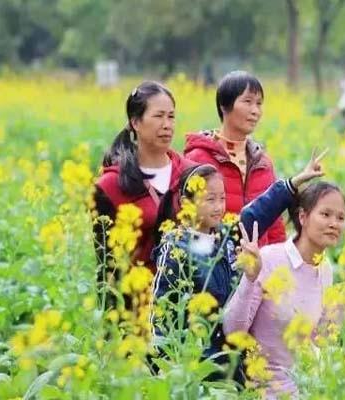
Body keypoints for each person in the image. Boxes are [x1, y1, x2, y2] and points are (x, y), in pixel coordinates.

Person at [150, 150, 328, 380]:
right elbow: (161, 312)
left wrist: (294, 183)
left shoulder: (226, 236)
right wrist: (166, 371)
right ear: (186, 203)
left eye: (222, 198)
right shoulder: (175, 247)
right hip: (194, 364)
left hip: (232, 363)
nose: (218, 207)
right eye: (209, 199)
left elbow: (259, 211)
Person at [223, 181, 345, 398]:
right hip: (260, 388)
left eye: (340, 218)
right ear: (303, 217)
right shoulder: (269, 259)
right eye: (325, 214)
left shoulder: (324, 269)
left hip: (302, 386)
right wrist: (249, 279)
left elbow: (322, 336)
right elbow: (233, 331)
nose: (334, 223)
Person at [93, 81, 195, 310]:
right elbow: (106, 270)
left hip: (184, 311)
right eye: (158, 116)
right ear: (135, 122)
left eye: (171, 117)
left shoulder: (191, 174)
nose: (167, 125)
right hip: (135, 312)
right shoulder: (109, 186)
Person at [184, 71, 285, 247]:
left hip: (257, 268)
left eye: (259, 104)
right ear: (224, 105)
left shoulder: (263, 163)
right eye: (247, 102)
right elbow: (187, 218)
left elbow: (274, 224)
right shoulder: (198, 158)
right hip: (212, 265)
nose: (255, 111)